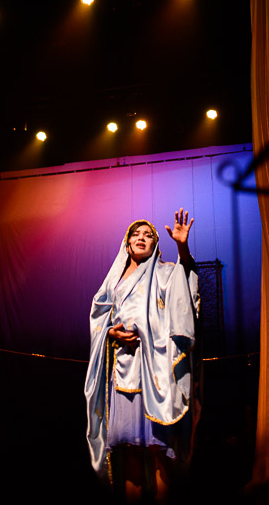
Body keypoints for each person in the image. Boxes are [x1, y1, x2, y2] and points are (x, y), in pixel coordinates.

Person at [85, 209, 200, 501]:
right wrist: (112, 333)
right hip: (124, 371)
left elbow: (185, 282)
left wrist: (182, 248)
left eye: (148, 235)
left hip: (156, 373)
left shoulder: (164, 272)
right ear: (126, 243)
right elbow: (99, 319)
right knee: (129, 451)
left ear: (155, 245)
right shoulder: (113, 281)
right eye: (136, 234)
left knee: (157, 450)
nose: (141, 238)